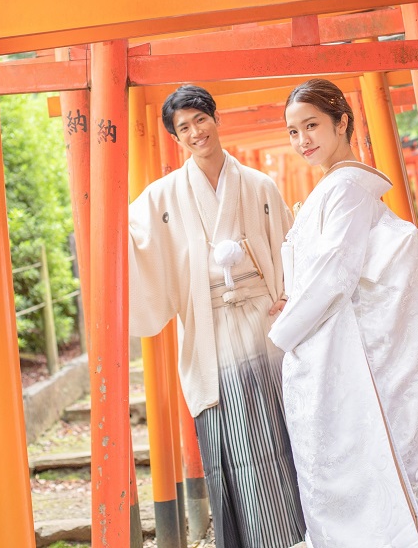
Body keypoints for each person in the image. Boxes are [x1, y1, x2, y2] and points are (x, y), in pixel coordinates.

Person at [128, 84, 306, 548]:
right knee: (234, 439)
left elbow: (289, 246)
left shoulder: (260, 185)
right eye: (183, 127)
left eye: (199, 120)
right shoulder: (161, 196)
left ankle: (302, 534)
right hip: (210, 330)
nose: (194, 132)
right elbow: (129, 241)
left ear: (215, 119)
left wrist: (292, 295)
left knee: (285, 427)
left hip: (263, 321)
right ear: (175, 137)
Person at [269, 78, 418, 548]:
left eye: (312, 125)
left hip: (338, 353)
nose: (303, 140)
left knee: (351, 468)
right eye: (293, 131)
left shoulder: (344, 188)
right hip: (323, 345)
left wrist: (284, 329)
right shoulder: (334, 187)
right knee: (337, 469)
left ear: (342, 122)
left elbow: (334, 272)